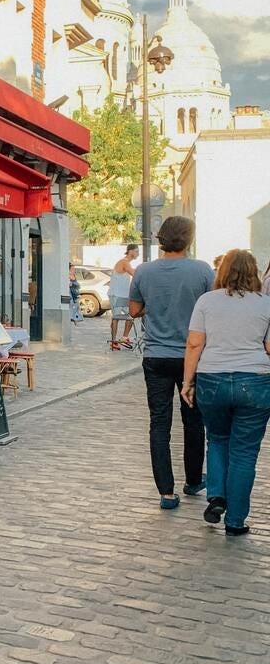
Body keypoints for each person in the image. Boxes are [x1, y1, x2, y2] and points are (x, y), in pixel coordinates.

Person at [128, 216, 214, 509]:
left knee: (159, 423)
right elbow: (213, 308)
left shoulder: (144, 271)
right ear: (188, 239)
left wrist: (156, 306)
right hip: (193, 357)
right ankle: (192, 480)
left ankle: (166, 491)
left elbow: (134, 310)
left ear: (161, 238)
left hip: (155, 355)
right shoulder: (203, 271)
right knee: (193, 420)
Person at [182, 250, 270, 536]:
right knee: (245, 453)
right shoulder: (266, 304)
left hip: (212, 378)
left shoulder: (207, 301)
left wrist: (187, 382)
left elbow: (195, 344)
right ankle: (235, 522)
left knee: (217, 440)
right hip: (255, 381)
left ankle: (217, 495)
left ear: (223, 271)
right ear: (253, 272)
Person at [110, 244, 139, 350]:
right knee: (116, 317)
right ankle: (113, 341)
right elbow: (134, 273)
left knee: (131, 315)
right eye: (137, 251)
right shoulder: (124, 262)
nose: (138, 254)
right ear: (130, 251)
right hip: (116, 295)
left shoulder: (128, 264)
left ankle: (124, 337)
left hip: (125, 296)